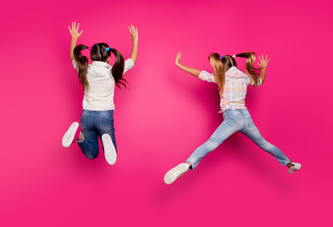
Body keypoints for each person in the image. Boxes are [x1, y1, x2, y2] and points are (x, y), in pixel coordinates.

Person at [164, 52, 301, 184]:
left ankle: (188, 163)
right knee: (264, 144)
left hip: (232, 118)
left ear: (223, 67)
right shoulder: (244, 77)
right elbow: (259, 81)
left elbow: (199, 74)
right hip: (246, 117)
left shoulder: (222, 77)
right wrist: (264, 68)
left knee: (212, 143)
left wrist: (179, 65)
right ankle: (291, 163)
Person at [62, 22, 138, 165]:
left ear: (92, 56)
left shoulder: (85, 69)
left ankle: (78, 136)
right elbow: (132, 60)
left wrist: (74, 38)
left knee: (92, 154)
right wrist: (135, 40)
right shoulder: (112, 71)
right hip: (104, 116)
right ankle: (106, 139)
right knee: (112, 154)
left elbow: (73, 56)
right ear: (109, 57)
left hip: (86, 116)